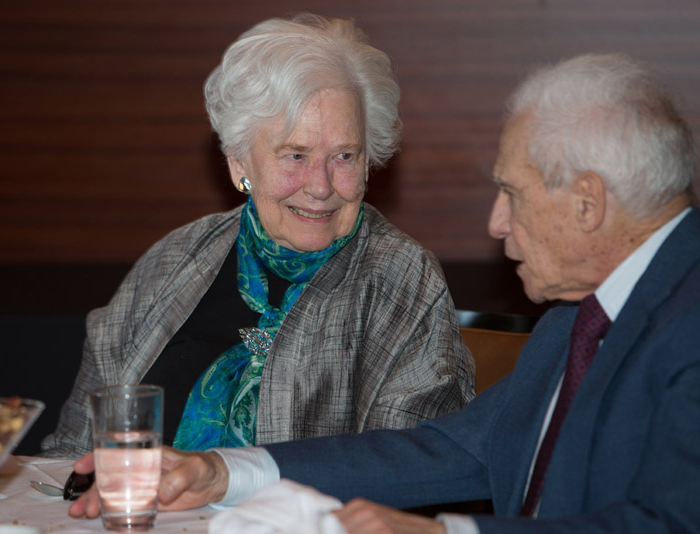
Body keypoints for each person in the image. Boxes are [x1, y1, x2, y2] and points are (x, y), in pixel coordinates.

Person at [68, 53, 700, 532]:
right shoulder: (577, 318)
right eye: (295, 155)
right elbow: (455, 448)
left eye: (511, 193)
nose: (495, 224)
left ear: (587, 204)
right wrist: (223, 470)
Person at [40, 13, 474, 457]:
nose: (321, 186)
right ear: (239, 164)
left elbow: (409, 466)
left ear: (368, 163)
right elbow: (74, 449)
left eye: (344, 156)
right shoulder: (175, 260)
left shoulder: (401, 278)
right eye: (296, 155)